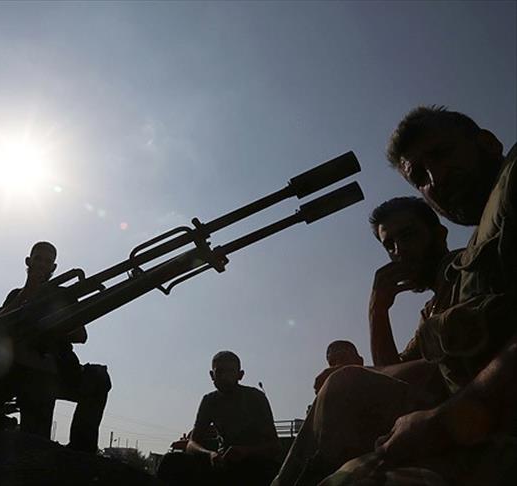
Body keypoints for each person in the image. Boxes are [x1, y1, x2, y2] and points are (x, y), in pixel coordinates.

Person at [296, 106, 516, 486]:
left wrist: (445, 421)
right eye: (420, 177)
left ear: (488, 143)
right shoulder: (435, 307)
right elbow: (393, 375)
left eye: (442, 154)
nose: (437, 177)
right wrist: (378, 311)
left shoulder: (468, 265)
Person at [0, 241, 111, 454]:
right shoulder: (16, 295)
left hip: (61, 366)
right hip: (27, 373)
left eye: (47, 261)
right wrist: (26, 295)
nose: (42, 265)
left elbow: (81, 335)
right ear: (28, 261)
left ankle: (80, 451)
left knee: (98, 378)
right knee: (35, 444)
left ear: (54, 267)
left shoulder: (62, 295)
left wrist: (51, 327)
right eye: (38, 259)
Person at [162, 351, 280, 486]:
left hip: (255, 465)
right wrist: (209, 454)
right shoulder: (209, 401)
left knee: (260, 471)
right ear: (212, 375)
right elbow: (192, 444)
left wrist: (245, 451)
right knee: (171, 461)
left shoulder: (255, 397)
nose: (224, 377)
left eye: (230, 372)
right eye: (220, 372)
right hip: (222, 464)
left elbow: (275, 446)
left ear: (240, 375)